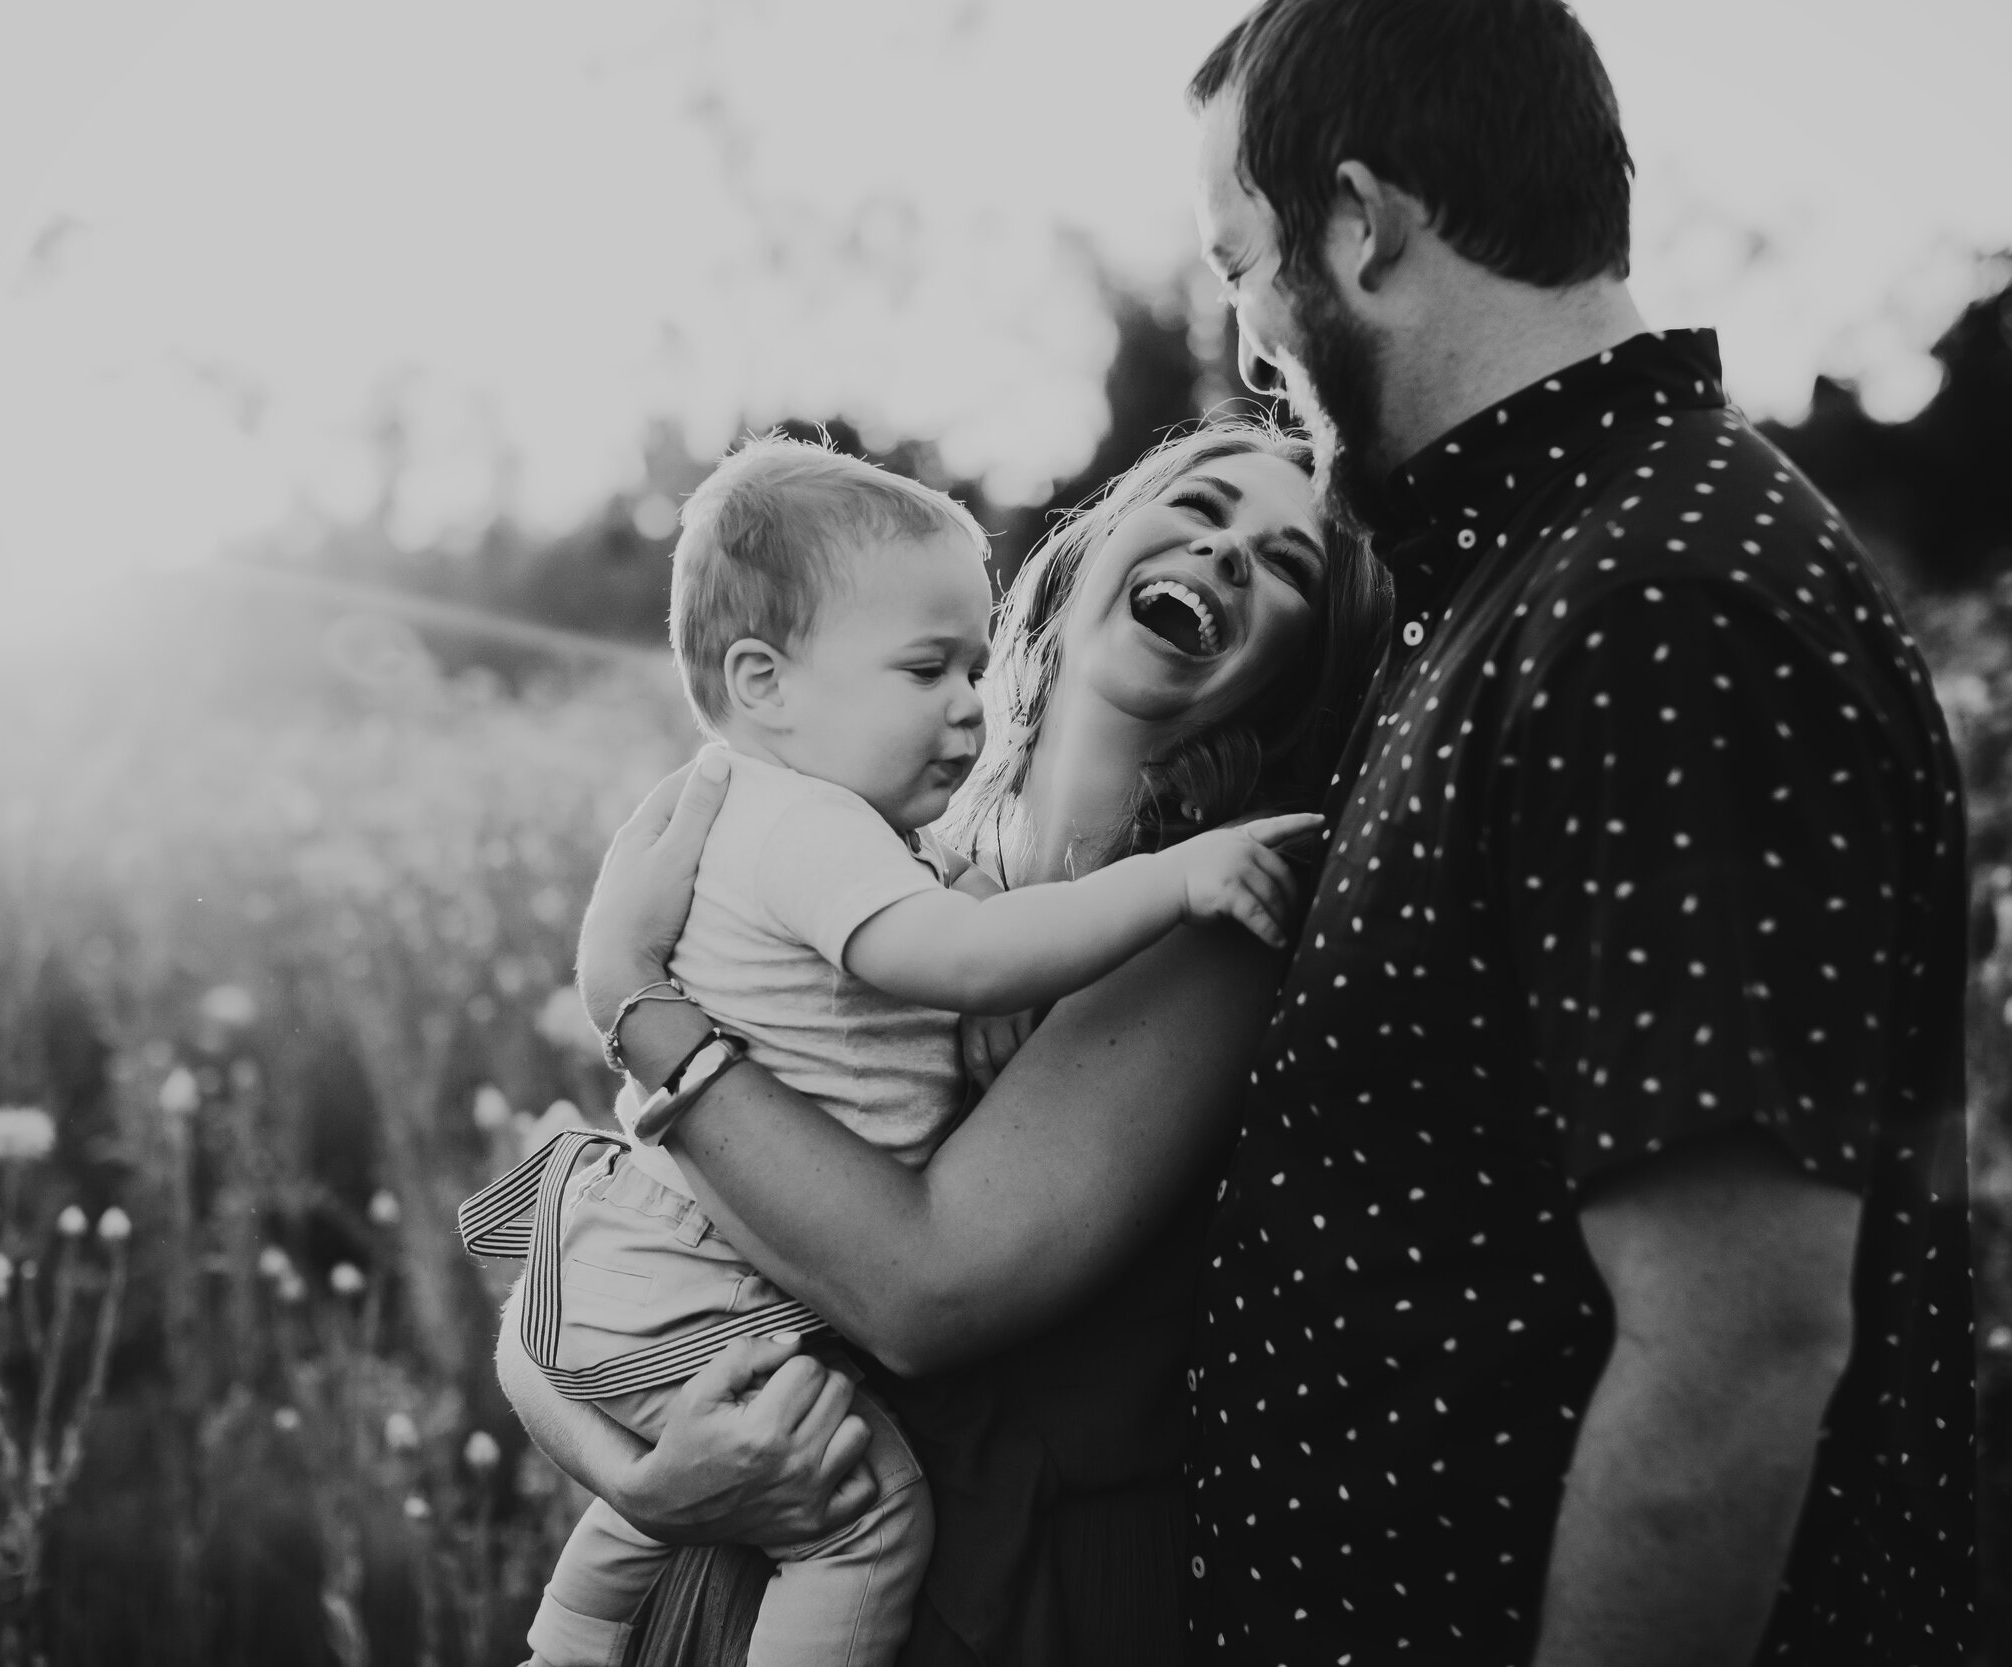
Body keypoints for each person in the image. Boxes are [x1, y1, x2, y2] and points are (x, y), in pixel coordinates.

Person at [1181, 1, 1975, 1662]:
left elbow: (1733, 1355)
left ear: (1359, 219)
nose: (1249, 347)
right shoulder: (1530, 569)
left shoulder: (1659, 603)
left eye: (1242, 261)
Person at [496, 419, 1384, 1663]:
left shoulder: (1215, 919)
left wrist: (634, 998)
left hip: (1004, 1599)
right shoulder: (882, 855)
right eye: (1200, 504)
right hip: (758, 1557)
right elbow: (613, 1258)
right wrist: (644, 1483)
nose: (1227, 550)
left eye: (1285, 562)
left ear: (1298, 666)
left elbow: (919, 1294)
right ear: (1084, 557)